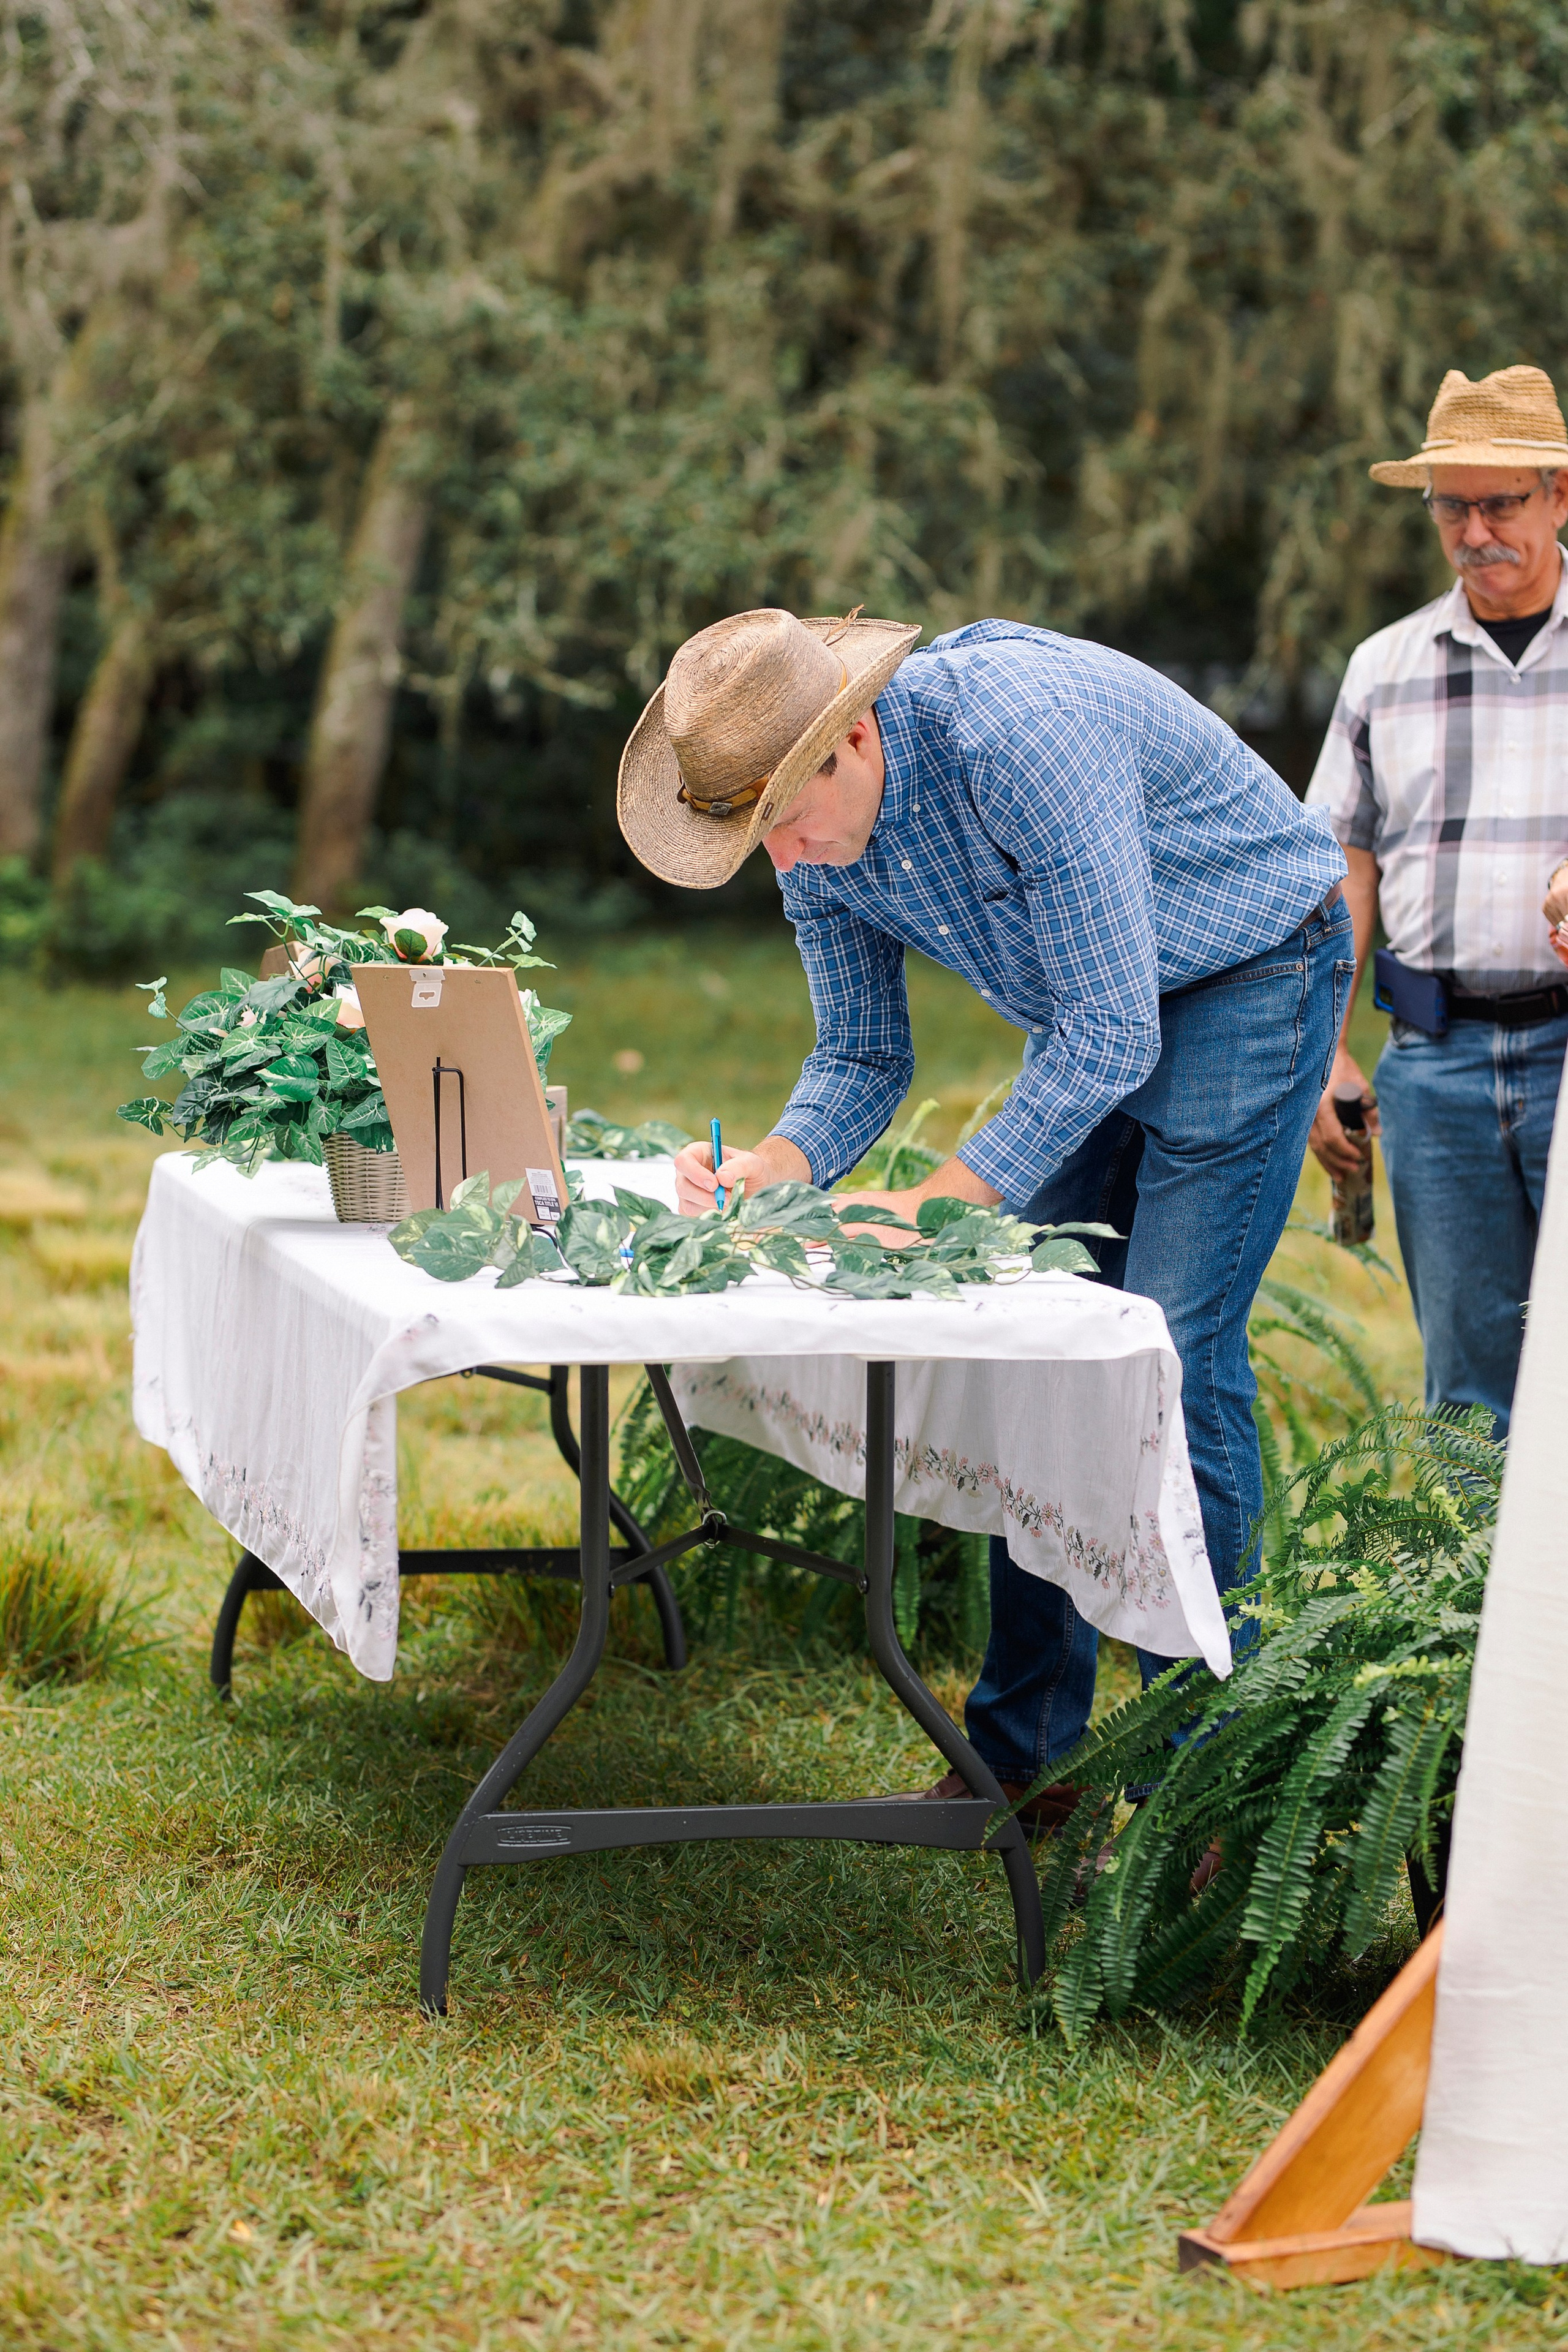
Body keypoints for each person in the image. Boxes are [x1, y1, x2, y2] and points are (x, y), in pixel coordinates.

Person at [616, 604, 1348, 1821]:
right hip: (1099, 1013)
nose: (783, 863)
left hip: (1250, 966)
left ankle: (1199, 1793)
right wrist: (779, 1166)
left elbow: (1112, 1029)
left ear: (847, 740)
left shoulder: (1018, 740)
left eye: (784, 825)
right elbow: (858, 1054)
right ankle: (1023, 1764)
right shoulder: (806, 828)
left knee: (1163, 1349)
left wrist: (946, 1199)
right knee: (1040, 1340)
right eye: (756, 842)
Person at [1307, 365, 1568, 1436]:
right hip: (1434, 1060)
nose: (1474, 531)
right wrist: (1325, 1049)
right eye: (1451, 506)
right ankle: (1467, 1603)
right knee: (1467, 1389)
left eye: (1500, 502)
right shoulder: (1386, 668)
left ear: (1560, 497)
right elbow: (1340, 865)